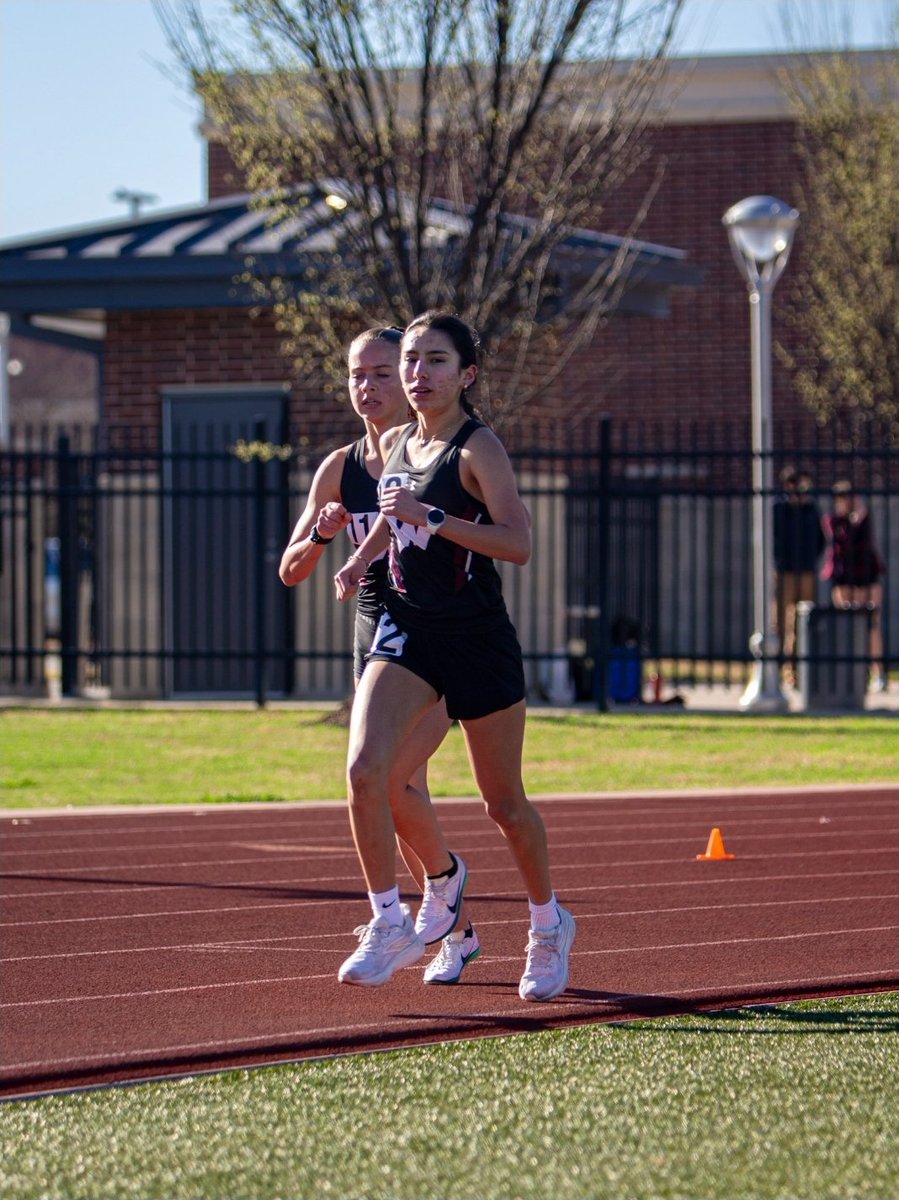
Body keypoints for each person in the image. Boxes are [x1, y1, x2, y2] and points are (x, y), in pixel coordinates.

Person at [334, 310, 575, 1002]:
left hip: (476, 640)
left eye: (434, 360)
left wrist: (435, 520)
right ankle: (387, 919)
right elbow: (392, 513)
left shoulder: (477, 448)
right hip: (409, 634)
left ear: (466, 374)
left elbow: (517, 542)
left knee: (503, 805)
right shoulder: (398, 442)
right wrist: (358, 561)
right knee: (365, 770)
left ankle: (547, 923)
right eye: (410, 360)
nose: (417, 374)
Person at [279, 325, 479, 985]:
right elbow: (290, 569)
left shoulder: (436, 455)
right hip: (378, 647)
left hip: (440, 642)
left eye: (381, 373)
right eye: (356, 375)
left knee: (385, 778)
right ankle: (456, 921)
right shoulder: (338, 468)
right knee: (394, 789)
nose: (367, 387)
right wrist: (319, 532)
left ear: (411, 376)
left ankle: (412, 906)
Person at [822, 480, 887, 691]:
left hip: (866, 574)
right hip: (844, 577)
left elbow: (866, 543)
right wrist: (853, 522)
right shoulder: (832, 520)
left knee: (872, 624)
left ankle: (878, 672)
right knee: (847, 626)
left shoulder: (865, 517)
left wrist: (859, 517)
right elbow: (843, 545)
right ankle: (851, 673)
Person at [772, 465, 825, 684]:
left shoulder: (812, 510)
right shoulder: (780, 509)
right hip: (785, 572)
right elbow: (775, 537)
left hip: (807, 571)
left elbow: (820, 539)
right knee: (780, 623)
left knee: (803, 622)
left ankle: (797, 671)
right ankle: (775, 670)